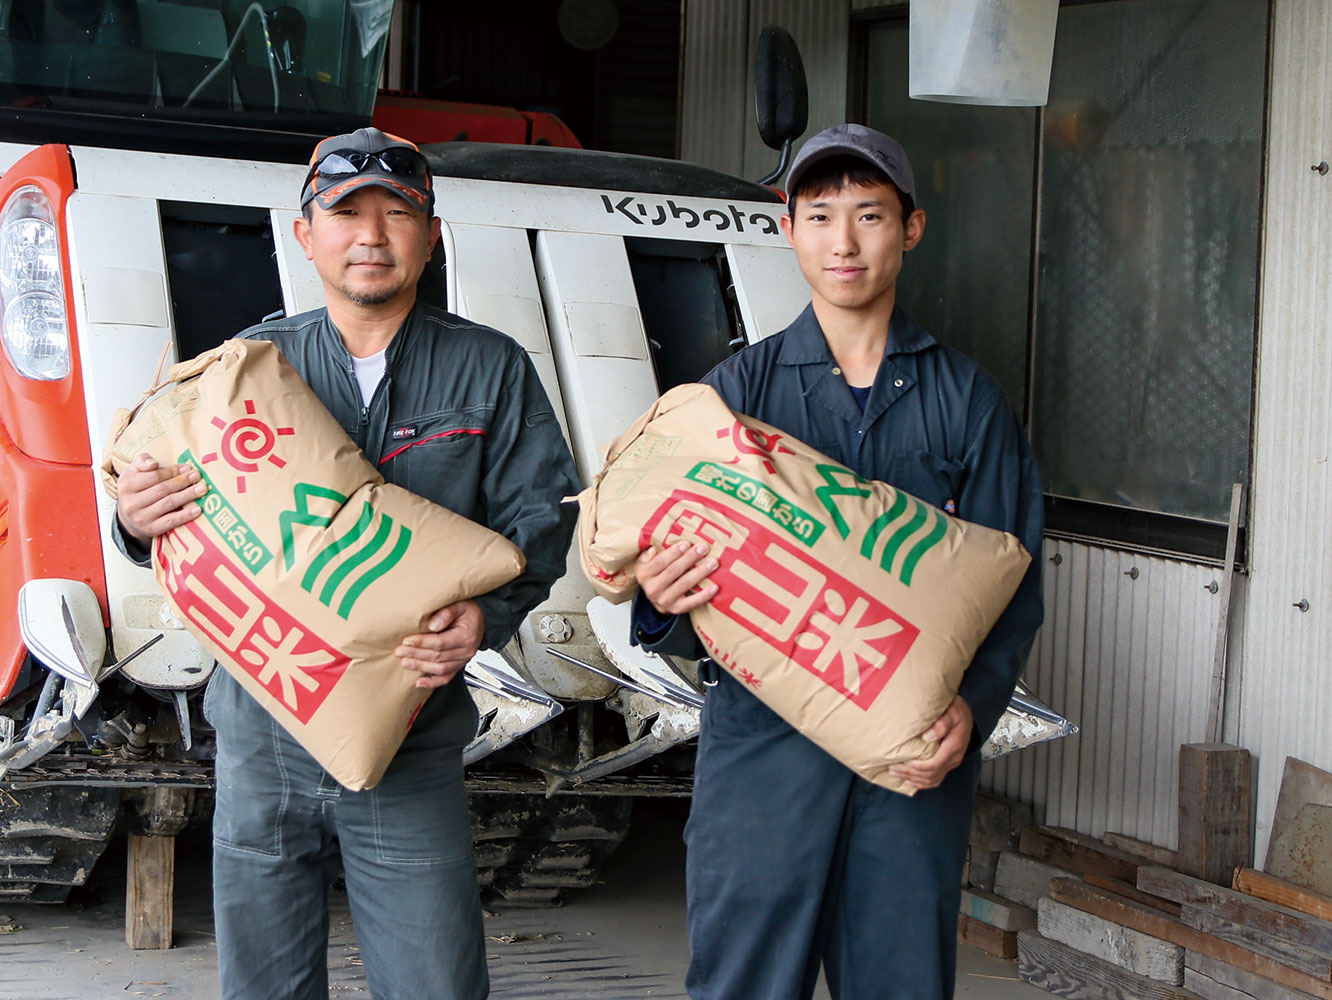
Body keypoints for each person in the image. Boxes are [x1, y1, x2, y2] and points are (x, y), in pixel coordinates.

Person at [112, 127, 579, 1000]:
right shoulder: (248, 364)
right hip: (261, 729)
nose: (372, 234)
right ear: (306, 234)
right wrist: (134, 522)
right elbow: (173, 513)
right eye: (347, 213)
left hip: (411, 729)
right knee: (266, 985)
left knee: (434, 980)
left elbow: (542, 519)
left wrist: (486, 619)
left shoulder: (489, 367)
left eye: (396, 213)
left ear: (431, 234)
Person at [632, 124, 1045, 1000]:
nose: (844, 241)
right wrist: (657, 598)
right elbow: (673, 566)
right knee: (743, 981)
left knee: (899, 984)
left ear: (912, 228)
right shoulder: (735, 395)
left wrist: (971, 711)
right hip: (763, 749)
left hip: (912, 753)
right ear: (789, 230)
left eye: (869, 214)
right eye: (821, 216)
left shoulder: (966, 400)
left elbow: (1014, 581)